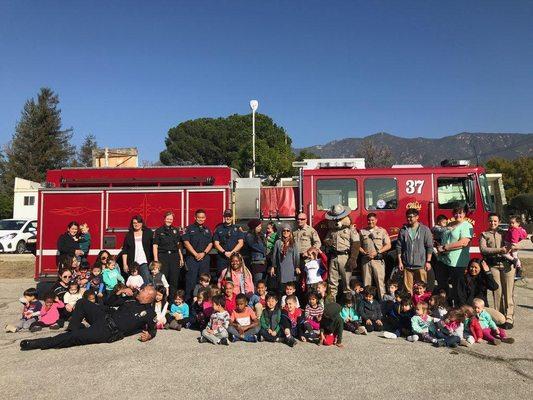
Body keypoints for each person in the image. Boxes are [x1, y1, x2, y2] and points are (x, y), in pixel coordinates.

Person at [20, 286, 157, 351]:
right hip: (105, 316)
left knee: (75, 337)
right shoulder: (131, 300)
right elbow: (109, 302)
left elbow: (153, 329)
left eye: (143, 290)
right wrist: (119, 292)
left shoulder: (149, 312)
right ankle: (72, 329)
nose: (140, 290)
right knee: (82, 302)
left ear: (148, 296)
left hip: (108, 331)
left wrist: (149, 335)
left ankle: (36, 343)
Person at [480, 213, 516, 330]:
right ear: (488, 221)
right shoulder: (484, 235)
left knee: (508, 292)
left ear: (499, 221)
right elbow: (483, 249)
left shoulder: (505, 233)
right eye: (491, 221)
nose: (493, 223)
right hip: (494, 265)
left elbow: (515, 241)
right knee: (497, 292)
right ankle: (500, 318)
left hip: (507, 265)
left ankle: (509, 317)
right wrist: (499, 249)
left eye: (495, 221)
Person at [436, 205, 473, 306]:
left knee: (458, 290)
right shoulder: (450, 224)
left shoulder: (467, 225)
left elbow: (464, 242)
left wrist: (445, 247)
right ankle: (445, 308)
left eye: (460, 213)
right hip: (444, 261)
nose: (458, 215)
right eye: (456, 213)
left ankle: (460, 311)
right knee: (443, 287)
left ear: (464, 214)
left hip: (457, 263)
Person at [323, 205, 360, 300]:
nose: (337, 220)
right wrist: (328, 242)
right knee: (332, 282)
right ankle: (332, 304)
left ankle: (348, 305)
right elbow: (326, 239)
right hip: (334, 257)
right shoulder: (331, 230)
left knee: (347, 282)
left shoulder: (350, 229)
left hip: (345, 257)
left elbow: (356, 244)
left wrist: (353, 258)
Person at [457, 258, 505, 325]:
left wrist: (488, 272)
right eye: (471, 267)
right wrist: (466, 309)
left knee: (501, 319)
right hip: (467, 308)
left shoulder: (484, 278)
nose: (473, 269)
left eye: (476, 267)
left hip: (481, 309)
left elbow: (494, 287)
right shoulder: (463, 278)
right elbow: (460, 296)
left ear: (481, 268)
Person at [396, 208, 433, 294]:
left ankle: (422, 306)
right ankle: (410, 306)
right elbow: (399, 247)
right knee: (408, 291)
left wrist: (428, 261)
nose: (409, 219)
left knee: (421, 290)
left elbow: (429, 247)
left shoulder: (425, 230)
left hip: (420, 266)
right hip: (407, 266)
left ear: (417, 217)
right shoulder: (403, 230)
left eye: (411, 217)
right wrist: (400, 262)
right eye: (407, 217)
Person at [153, 211, 184, 302]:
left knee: (174, 281)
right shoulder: (159, 231)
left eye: (171, 219)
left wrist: (181, 258)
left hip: (174, 257)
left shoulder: (176, 231)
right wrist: (156, 261)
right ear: (164, 219)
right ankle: (162, 302)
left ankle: (171, 303)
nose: (169, 220)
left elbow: (179, 246)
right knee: (162, 281)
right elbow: (155, 246)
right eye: (167, 218)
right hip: (163, 257)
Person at [182, 209, 213, 301]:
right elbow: (186, 242)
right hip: (192, 259)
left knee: (204, 282)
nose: (201, 219)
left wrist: (203, 253)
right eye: (199, 217)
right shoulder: (188, 229)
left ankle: (204, 304)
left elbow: (210, 243)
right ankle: (189, 304)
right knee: (190, 282)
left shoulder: (207, 230)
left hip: (204, 259)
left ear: (205, 218)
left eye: (203, 217)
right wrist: (195, 254)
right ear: (195, 217)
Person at [359, 213, 391, 300]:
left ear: (376, 220)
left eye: (372, 220)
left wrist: (377, 252)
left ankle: (383, 304)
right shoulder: (362, 232)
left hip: (377, 260)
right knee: (366, 284)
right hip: (366, 260)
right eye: (369, 220)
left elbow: (388, 245)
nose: (370, 222)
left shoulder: (382, 231)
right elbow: (357, 245)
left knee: (380, 283)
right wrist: (363, 252)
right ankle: (366, 304)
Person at [121, 215, 153, 284]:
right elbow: (125, 250)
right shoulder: (129, 235)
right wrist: (125, 264)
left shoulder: (148, 232)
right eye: (134, 223)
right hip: (133, 263)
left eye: (138, 222)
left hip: (144, 262)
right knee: (134, 284)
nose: (136, 224)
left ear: (142, 223)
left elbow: (153, 246)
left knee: (146, 282)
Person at [271, 224, 301, 294]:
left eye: (288, 231)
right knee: (281, 288)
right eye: (284, 230)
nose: (286, 232)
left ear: (290, 232)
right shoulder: (278, 242)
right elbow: (274, 255)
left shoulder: (293, 243)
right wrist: (273, 266)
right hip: (281, 267)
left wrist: (297, 266)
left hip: (291, 267)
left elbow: (297, 255)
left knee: (291, 287)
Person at [213, 209, 244, 277]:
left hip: (234, 258)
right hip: (222, 258)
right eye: (226, 216)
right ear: (224, 216)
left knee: (235, 277)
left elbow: (241, 243)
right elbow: (216, 244)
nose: (228, 218)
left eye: (230, 216)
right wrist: (224, 252)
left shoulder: (238, 228)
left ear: (232, 217)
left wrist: (232, 252)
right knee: (222, 277)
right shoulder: (218, 229)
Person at [244, 219, 267, 285]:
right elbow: (260, 247)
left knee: (262, 282)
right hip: (256, 263)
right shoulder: (250, 236)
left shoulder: (260, 235)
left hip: (263, 262)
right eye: (259, 226)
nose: (260, 228)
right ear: (254, 227)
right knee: (257, 282)